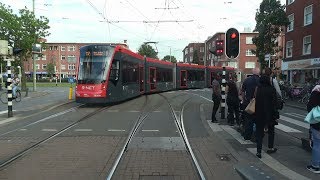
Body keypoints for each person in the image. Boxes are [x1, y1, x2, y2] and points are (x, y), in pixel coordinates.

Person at [255, 74, 278, 158]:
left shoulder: (258, 89)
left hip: (259, 114)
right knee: (271, 132)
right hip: (270, 114)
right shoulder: (272, 89)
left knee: (259, 133)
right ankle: (270, 147)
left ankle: (258, 151)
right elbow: (274, 103)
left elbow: (255, 99)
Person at [241, 68, 260, 140]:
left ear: (252, 73)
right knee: (258, 120)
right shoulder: (260, 80)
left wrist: (244, 99)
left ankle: (247, 136)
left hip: (248, 103)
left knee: (248, 119)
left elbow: (242, 91)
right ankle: (256, 136)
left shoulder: (247, 80)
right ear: (258, 73)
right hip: (258, 104)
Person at [306, 85, 320, 173]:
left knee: (317, 144)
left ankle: (315, 166)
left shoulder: (316, 92)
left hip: (317, 123)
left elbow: (309, 107)